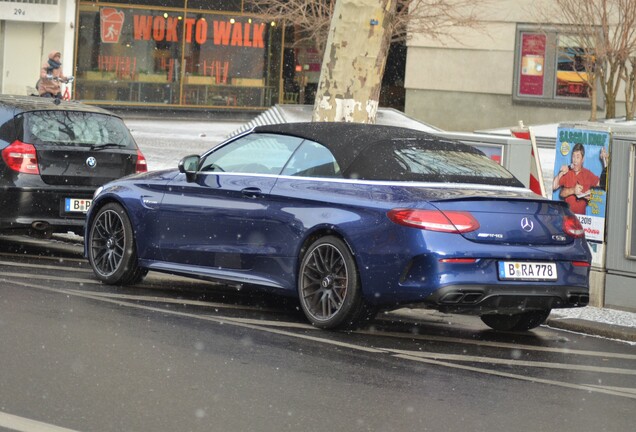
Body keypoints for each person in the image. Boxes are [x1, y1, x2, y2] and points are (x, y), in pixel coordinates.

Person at [552, 143, 608, 215]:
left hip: (581, 220)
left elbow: (604, 184)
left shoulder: (588, 174)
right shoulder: (567, 172)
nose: (574, 160)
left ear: (583, 159)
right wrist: (561, 173)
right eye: (573, 156)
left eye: (578, 157)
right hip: (567, 216)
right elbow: (555, 188)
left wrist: (604, 160)